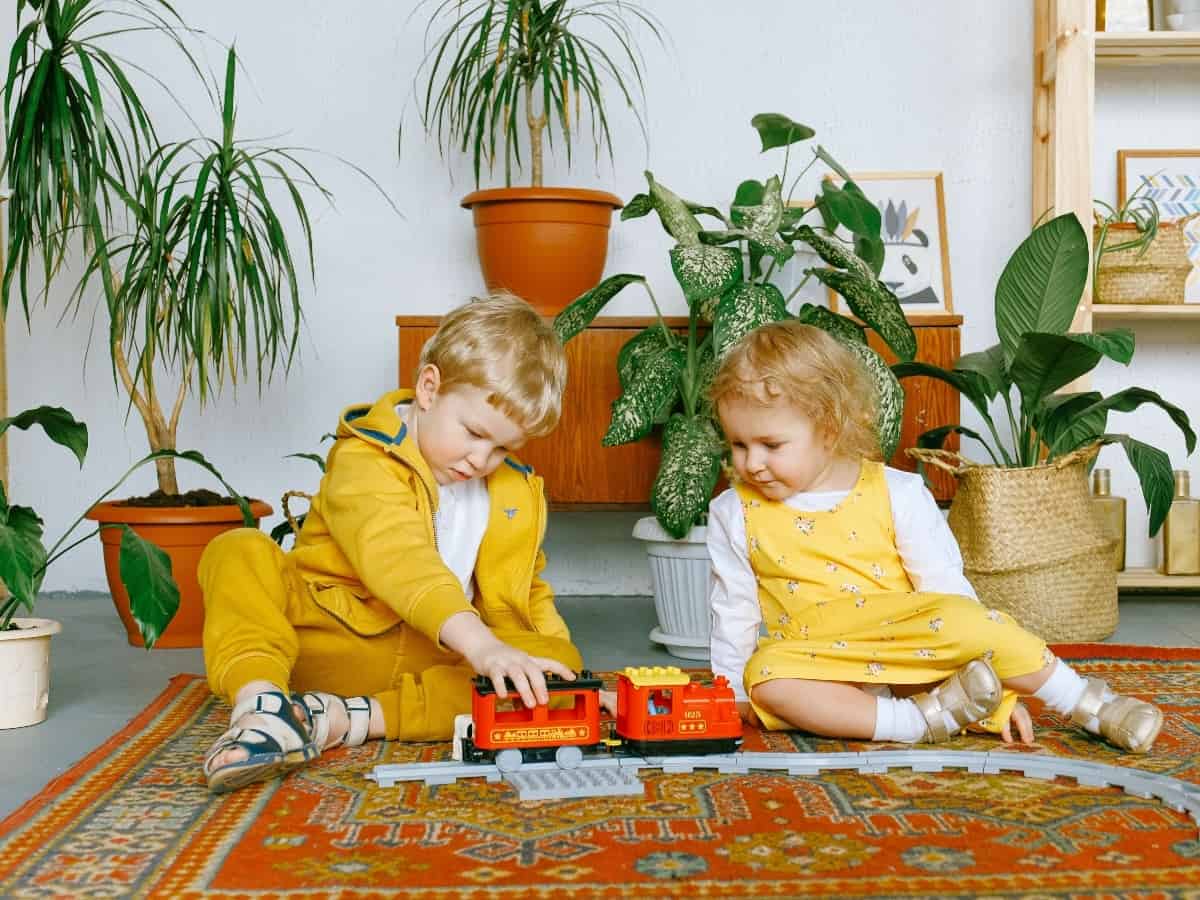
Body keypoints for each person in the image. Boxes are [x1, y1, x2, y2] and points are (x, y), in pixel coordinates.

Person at [706, 320, 1163, 753]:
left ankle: (1086, 703)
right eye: (739, 445)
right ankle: (914, 723)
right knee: (766, 678)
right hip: (818, 661)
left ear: (828, 430)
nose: (751, 463)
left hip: (913, 649)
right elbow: (734, 610)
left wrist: (997, 697)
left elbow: (945, 591)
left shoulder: (897, 491)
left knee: (971, 621)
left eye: (771, 445)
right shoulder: (735, 511)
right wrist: (730, 692)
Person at [201, 292, 583, 792]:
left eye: (503, 447)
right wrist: (485, 647)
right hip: (330, 637)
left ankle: (343, 718)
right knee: (237, 550)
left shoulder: (513, 490)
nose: (480, 458)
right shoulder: (364, 459)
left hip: (432, 658)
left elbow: (527, 588)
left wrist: (567, 678)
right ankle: (264, 704)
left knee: (557, 668)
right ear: (429, 388)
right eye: (472, 432)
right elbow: (400, 560)